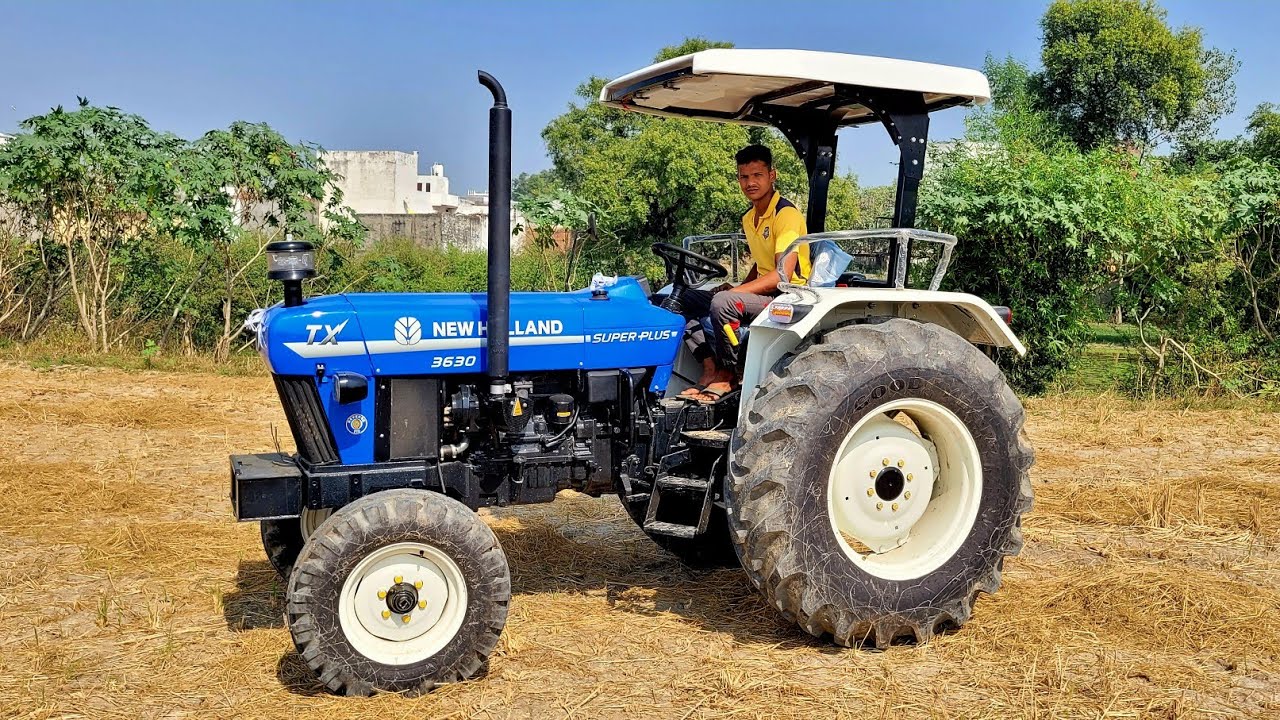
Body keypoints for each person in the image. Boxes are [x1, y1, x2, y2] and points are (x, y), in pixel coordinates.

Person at [678, 144, 809, 403]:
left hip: (788, 295)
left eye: (757, 175)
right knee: (679, 298)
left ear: (772, 176)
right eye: (744, 177)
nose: (750, 183)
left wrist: (734, 293)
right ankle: (710, 368)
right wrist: (735, 286)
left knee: (723, 303)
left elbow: (781, 276)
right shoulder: (750, 217)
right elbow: (761, 265)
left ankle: (730, 375)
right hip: (764, 292)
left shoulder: (786, 215)